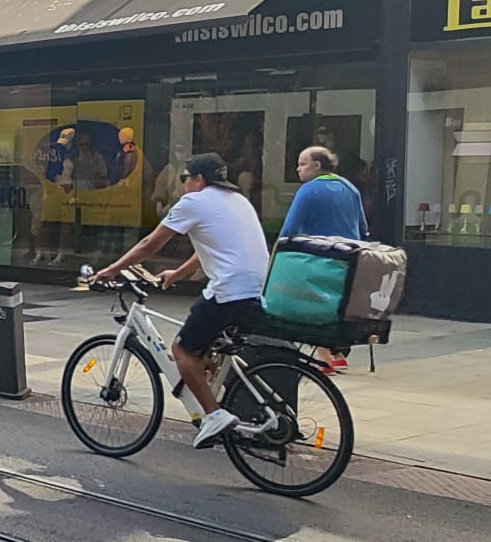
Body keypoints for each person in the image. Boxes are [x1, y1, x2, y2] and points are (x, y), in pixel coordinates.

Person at [93, 152, 271, 448]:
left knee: (182, 349)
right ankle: (211, 399)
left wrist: (111, 269)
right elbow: (210, 247)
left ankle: (214, 415)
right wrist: (177, 273)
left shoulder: (194, 202)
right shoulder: (238, 200)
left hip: (230, 291)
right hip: (257, 289)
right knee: (203, 338)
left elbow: (150, 243)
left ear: (199, 179)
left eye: (184, 178)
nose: (183, 185)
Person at [280, 144, 370, 373]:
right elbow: (362, 228)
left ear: (317, 166)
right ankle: (339, 355)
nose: (298, 169)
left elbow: (290, 229)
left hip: (318, 259)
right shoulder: (350, 188)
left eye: (302, 164)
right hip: (349, 259)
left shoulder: (308, 190)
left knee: (313, 305)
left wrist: (279, 251)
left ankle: (323, 358)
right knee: (339, 306)